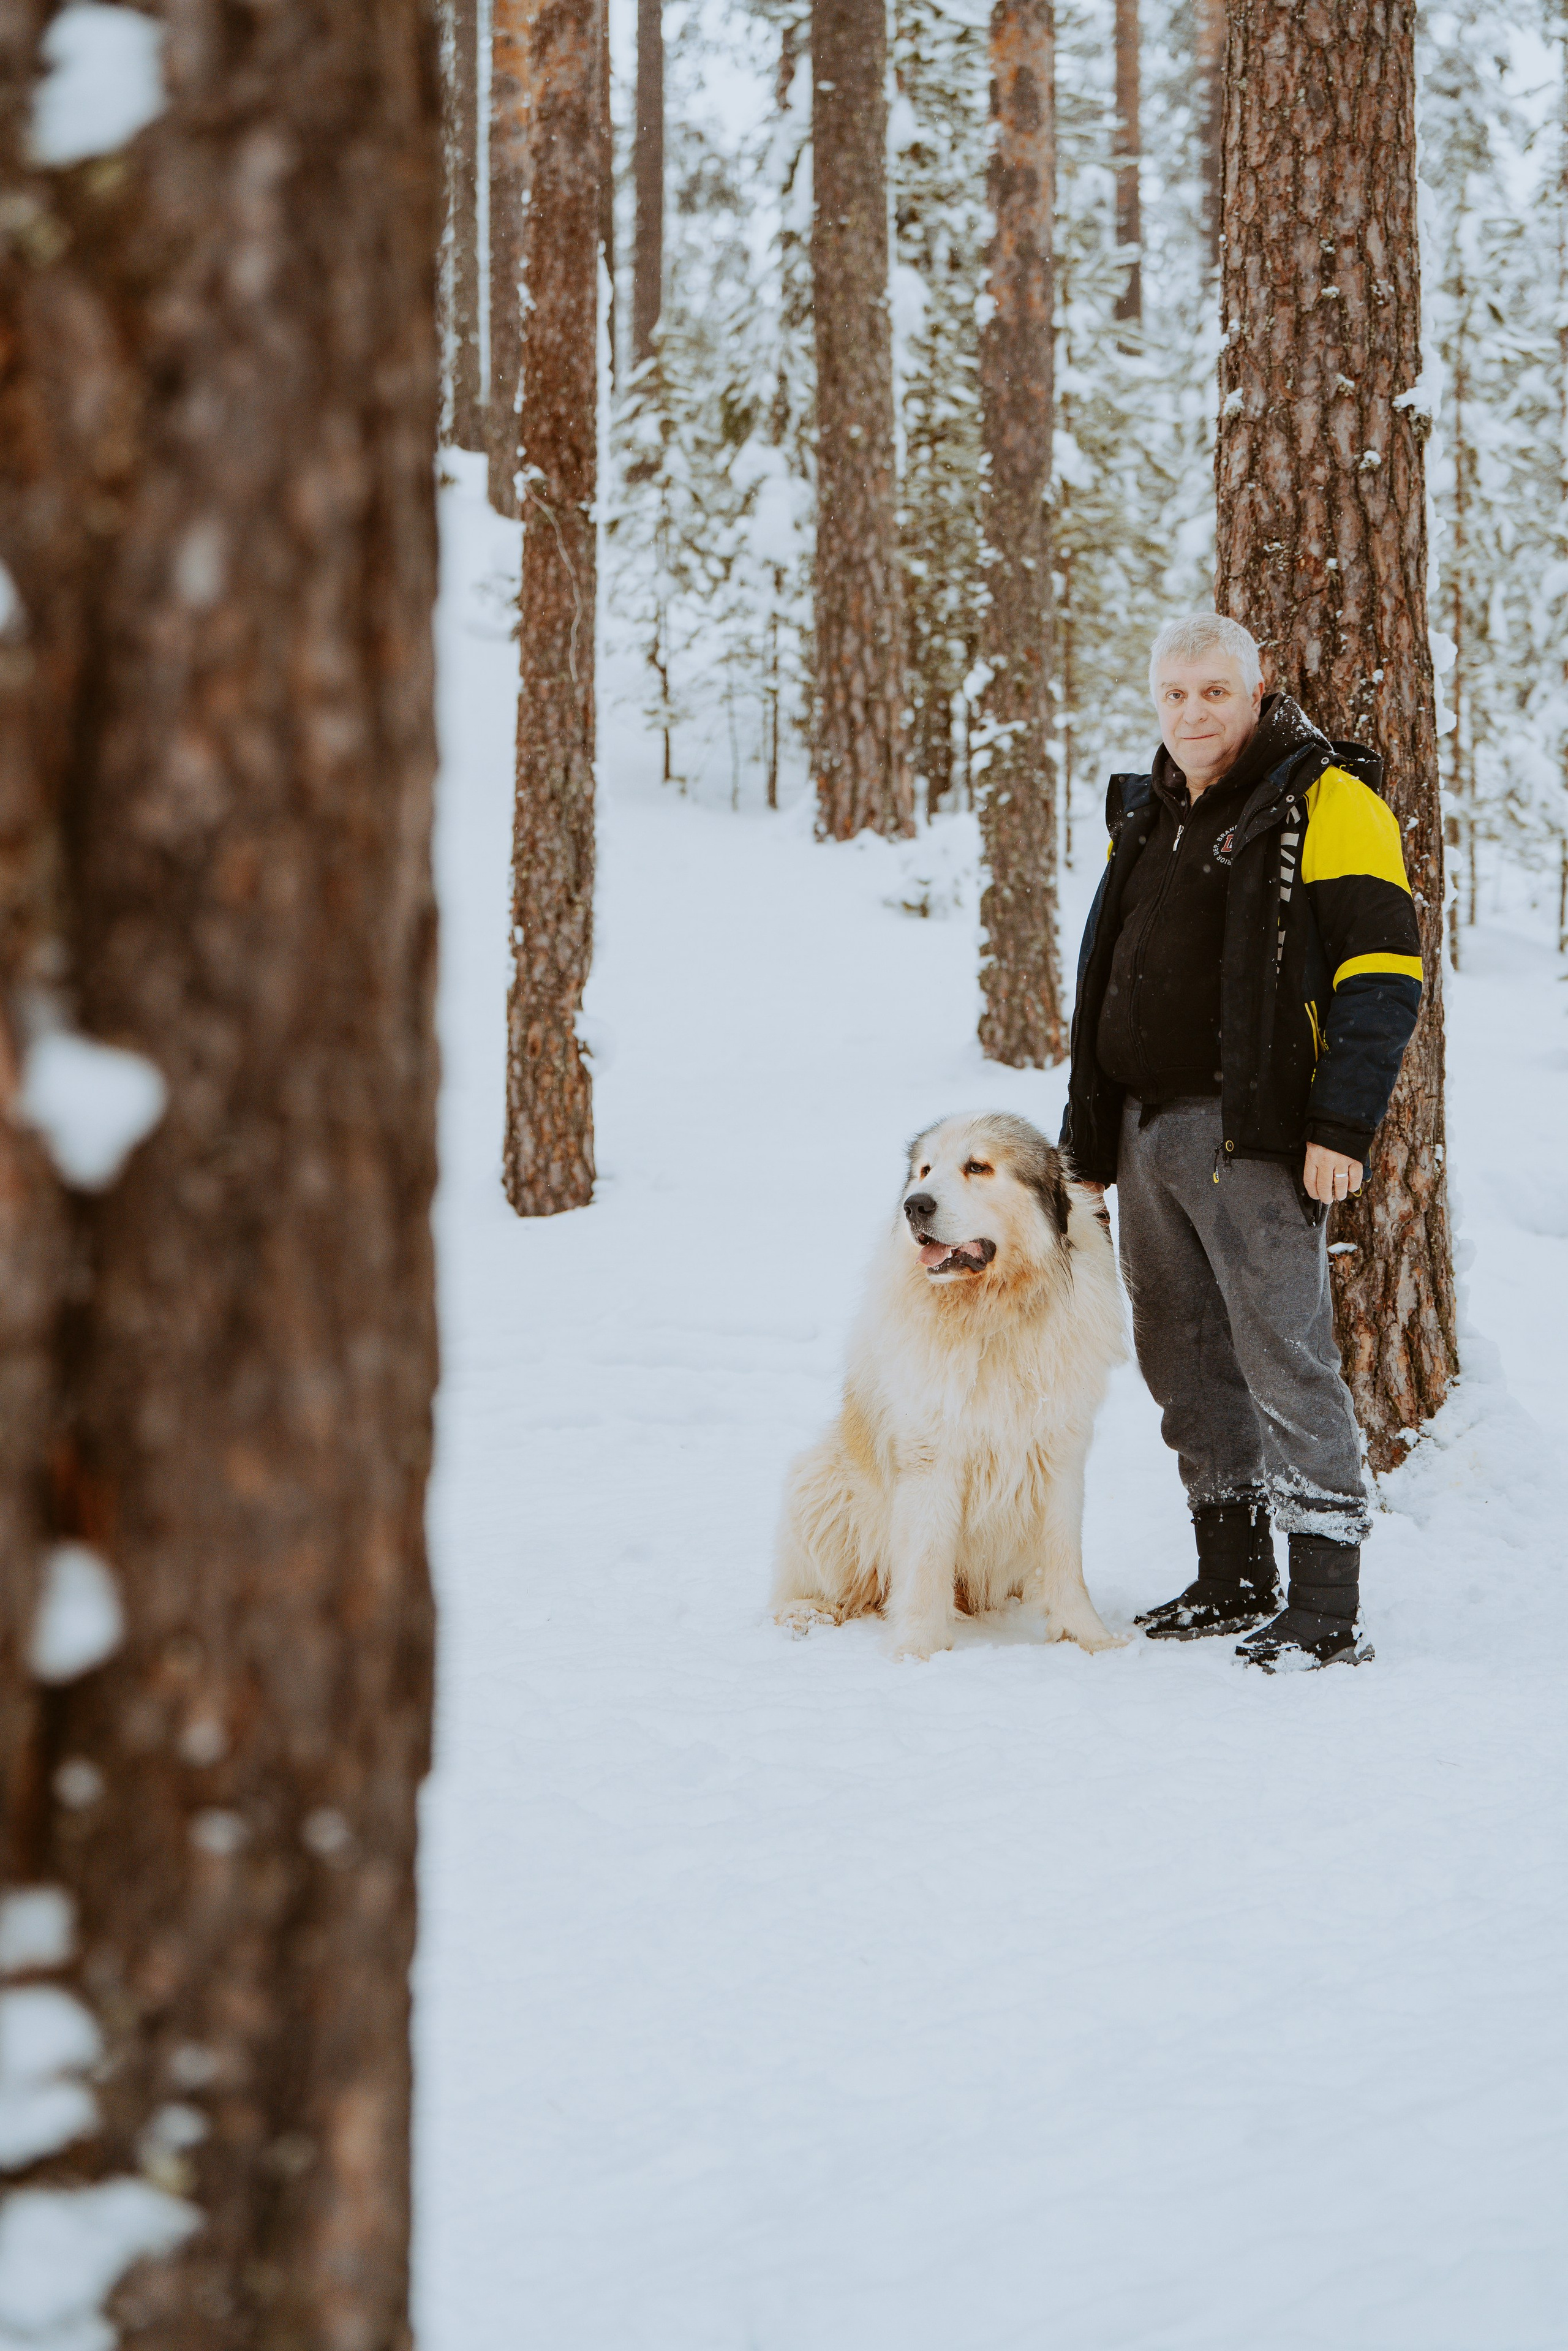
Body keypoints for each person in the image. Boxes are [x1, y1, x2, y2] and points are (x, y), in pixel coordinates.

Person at [1060, 614, 1423, 1669]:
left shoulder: (1327, 798)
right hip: (1143, 1132)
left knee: (1287, 1356)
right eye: (1174, 693)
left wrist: (1341, 1124)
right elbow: (1102, 985)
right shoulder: (1152, 810)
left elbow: (1382, 971)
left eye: (1214, 691)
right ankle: (1232, 1574)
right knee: (1182, 1359)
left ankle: (1326, 1603)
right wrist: (1090, 1141)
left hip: (1256, 1130)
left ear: (1259, 690)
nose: (1192, 712)